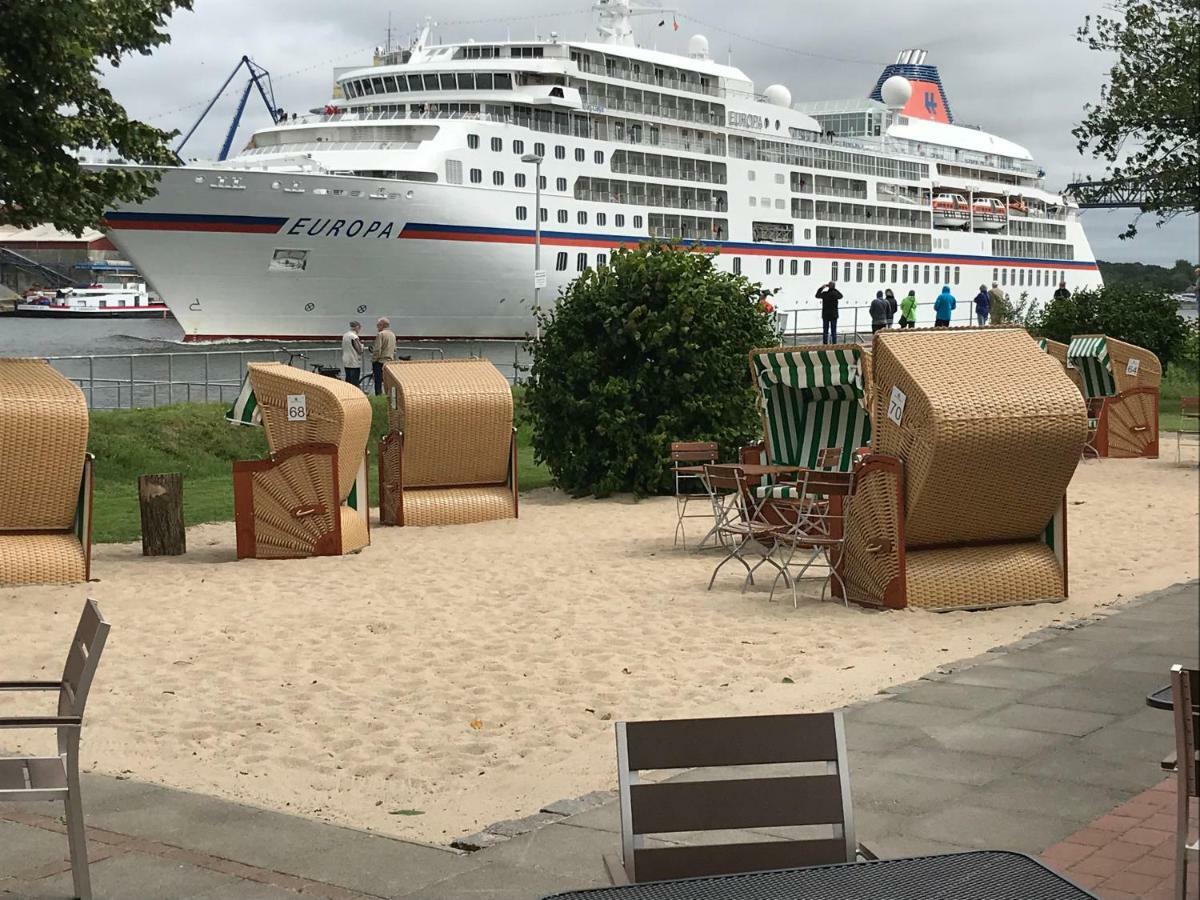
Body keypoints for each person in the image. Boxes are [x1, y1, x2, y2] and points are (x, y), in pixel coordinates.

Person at [372, 317, 397, 396]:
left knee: (378, 381)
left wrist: (374, 359)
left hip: (380, 361)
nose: (377, 326)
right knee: (388, 382)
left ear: (383, 325)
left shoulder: (381, 334)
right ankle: (389, 396)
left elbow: (377, 349)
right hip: (389, 362)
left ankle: (378, 396)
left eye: (378, 325)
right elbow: (394, 349)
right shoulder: (392, 334)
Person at [341, 320, 364, 387]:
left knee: (348, 379)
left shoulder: (345, 335)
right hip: (354, 361)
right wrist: (362, 346)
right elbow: (359, 350)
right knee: (354, 381)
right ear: (357, 327)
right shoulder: (354, 337)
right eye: (359, 328)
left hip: (346, 360)